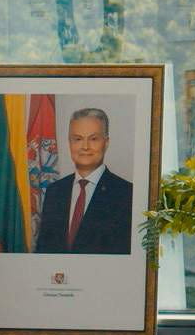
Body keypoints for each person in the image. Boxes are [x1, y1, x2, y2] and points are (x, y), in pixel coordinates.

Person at [34, 107, 132, 255]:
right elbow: (43, 251)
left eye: (93, 139)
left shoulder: (126, 194)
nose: (85, 147)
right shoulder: (55, 191)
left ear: (106, 143)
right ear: (70, 143)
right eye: (78, 139)